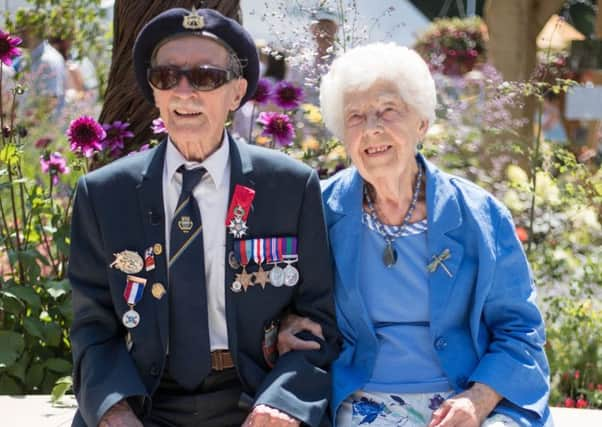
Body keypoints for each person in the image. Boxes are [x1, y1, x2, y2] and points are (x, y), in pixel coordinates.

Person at [69, 8, 338, 427]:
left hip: (255, 396)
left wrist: (285, 400)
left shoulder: (288, 187)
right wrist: (113, 409)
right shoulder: (104, 194)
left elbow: (320, 321)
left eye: (206, 76)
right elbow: (93, 326)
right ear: (154, 94)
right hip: (144, 399)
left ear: (237, 92)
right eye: (167, 77)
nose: (184, 91)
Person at [278, 42, 552, 426]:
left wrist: (478, 399)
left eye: (388, 110)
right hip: (361, 401)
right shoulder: (319, 212)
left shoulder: (480, 216)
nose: (372, 128)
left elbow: (520, 328)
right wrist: (285, 323)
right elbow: (283, 300)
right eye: (356, 116)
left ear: (421, 122)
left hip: (467, 393)